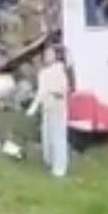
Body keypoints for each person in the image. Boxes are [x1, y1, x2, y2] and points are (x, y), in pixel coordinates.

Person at [35, 48, 72, 179]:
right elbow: (40, 92)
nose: (47, 56)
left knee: (58, 138)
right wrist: (34, 107)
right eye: (46, 54)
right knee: (47, 137)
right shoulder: (42, 73)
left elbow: (64, 89)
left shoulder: (59, 70)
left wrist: (53, 93)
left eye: (50, 54)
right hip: (47, 108)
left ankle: (59, 170)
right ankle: (50, 162)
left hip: (58, 108)